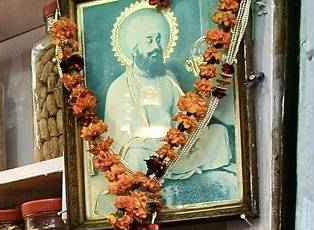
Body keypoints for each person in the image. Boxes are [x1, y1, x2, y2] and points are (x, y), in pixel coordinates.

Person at [100, 5, 234, 212]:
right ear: (134, 48)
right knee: (135, 157)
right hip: (144, 150)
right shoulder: (119, 87)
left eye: (158, 39)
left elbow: (184, 118)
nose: (156, 46)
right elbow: (118, 139)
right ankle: (171, 170)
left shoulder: (168, 78)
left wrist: (180, 137)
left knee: (218, 133)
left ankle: (179, 167)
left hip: (175, 146)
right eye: (149, 41)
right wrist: (151, 143)